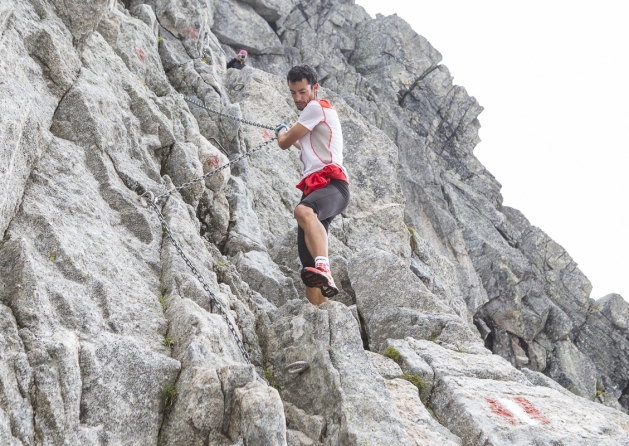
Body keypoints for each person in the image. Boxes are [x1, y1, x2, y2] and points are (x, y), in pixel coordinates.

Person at [275, 65, 350, 306]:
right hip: (319, 189)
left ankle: (325, 269)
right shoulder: (316, 113)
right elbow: (302, 145)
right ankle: (321, 313)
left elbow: (285, 143)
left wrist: (281, 132)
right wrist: (286, 135)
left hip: (333, 185)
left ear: (315, 89)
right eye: (293, 93)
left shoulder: (315, 107)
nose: (298, 98)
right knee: (308, 268)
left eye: (303, 91)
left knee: (303, 211)